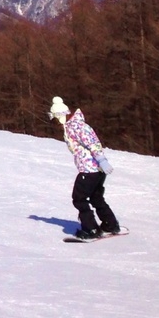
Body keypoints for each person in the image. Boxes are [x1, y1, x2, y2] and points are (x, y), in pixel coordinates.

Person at [50, 97, 121, 240]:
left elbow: (93, 142)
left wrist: (102, 160)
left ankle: (91, 230)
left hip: (90, 169)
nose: (56, 122)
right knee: (96, 197)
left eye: (56, 118)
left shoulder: (76, 126)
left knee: (79, 199)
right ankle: (110, 224)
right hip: (96, 170)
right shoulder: (73, 125)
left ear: (61, 115)